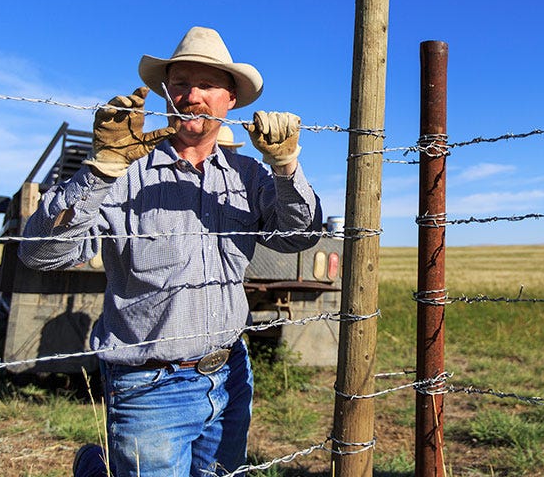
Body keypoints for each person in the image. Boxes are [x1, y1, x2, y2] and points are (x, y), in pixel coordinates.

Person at [18, 26, 323, 477]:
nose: (192, 95)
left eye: (208, 84)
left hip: (231, 374)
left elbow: (299, 236)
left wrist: (286, 165)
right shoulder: (125, 172)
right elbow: (40, 255)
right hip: (149, 386)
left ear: (231, 100)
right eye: (180, 83)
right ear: (165, 93)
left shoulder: (249, 175)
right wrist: (101, 169)